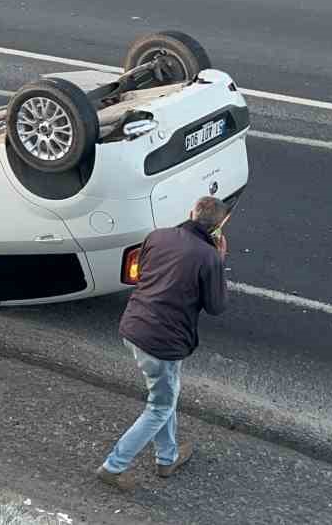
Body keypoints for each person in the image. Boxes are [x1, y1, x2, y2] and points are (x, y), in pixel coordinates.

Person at [96, 196, 231, 490]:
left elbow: (142, 273)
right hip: (164, 342)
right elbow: (216, 306)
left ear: (191, 212)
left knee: (165, 396)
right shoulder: (208, 257)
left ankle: (167, 458)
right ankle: (113, 467)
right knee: (159, 406)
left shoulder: (157, 236)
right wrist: (219, 263)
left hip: (134, 325)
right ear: (221, 225)